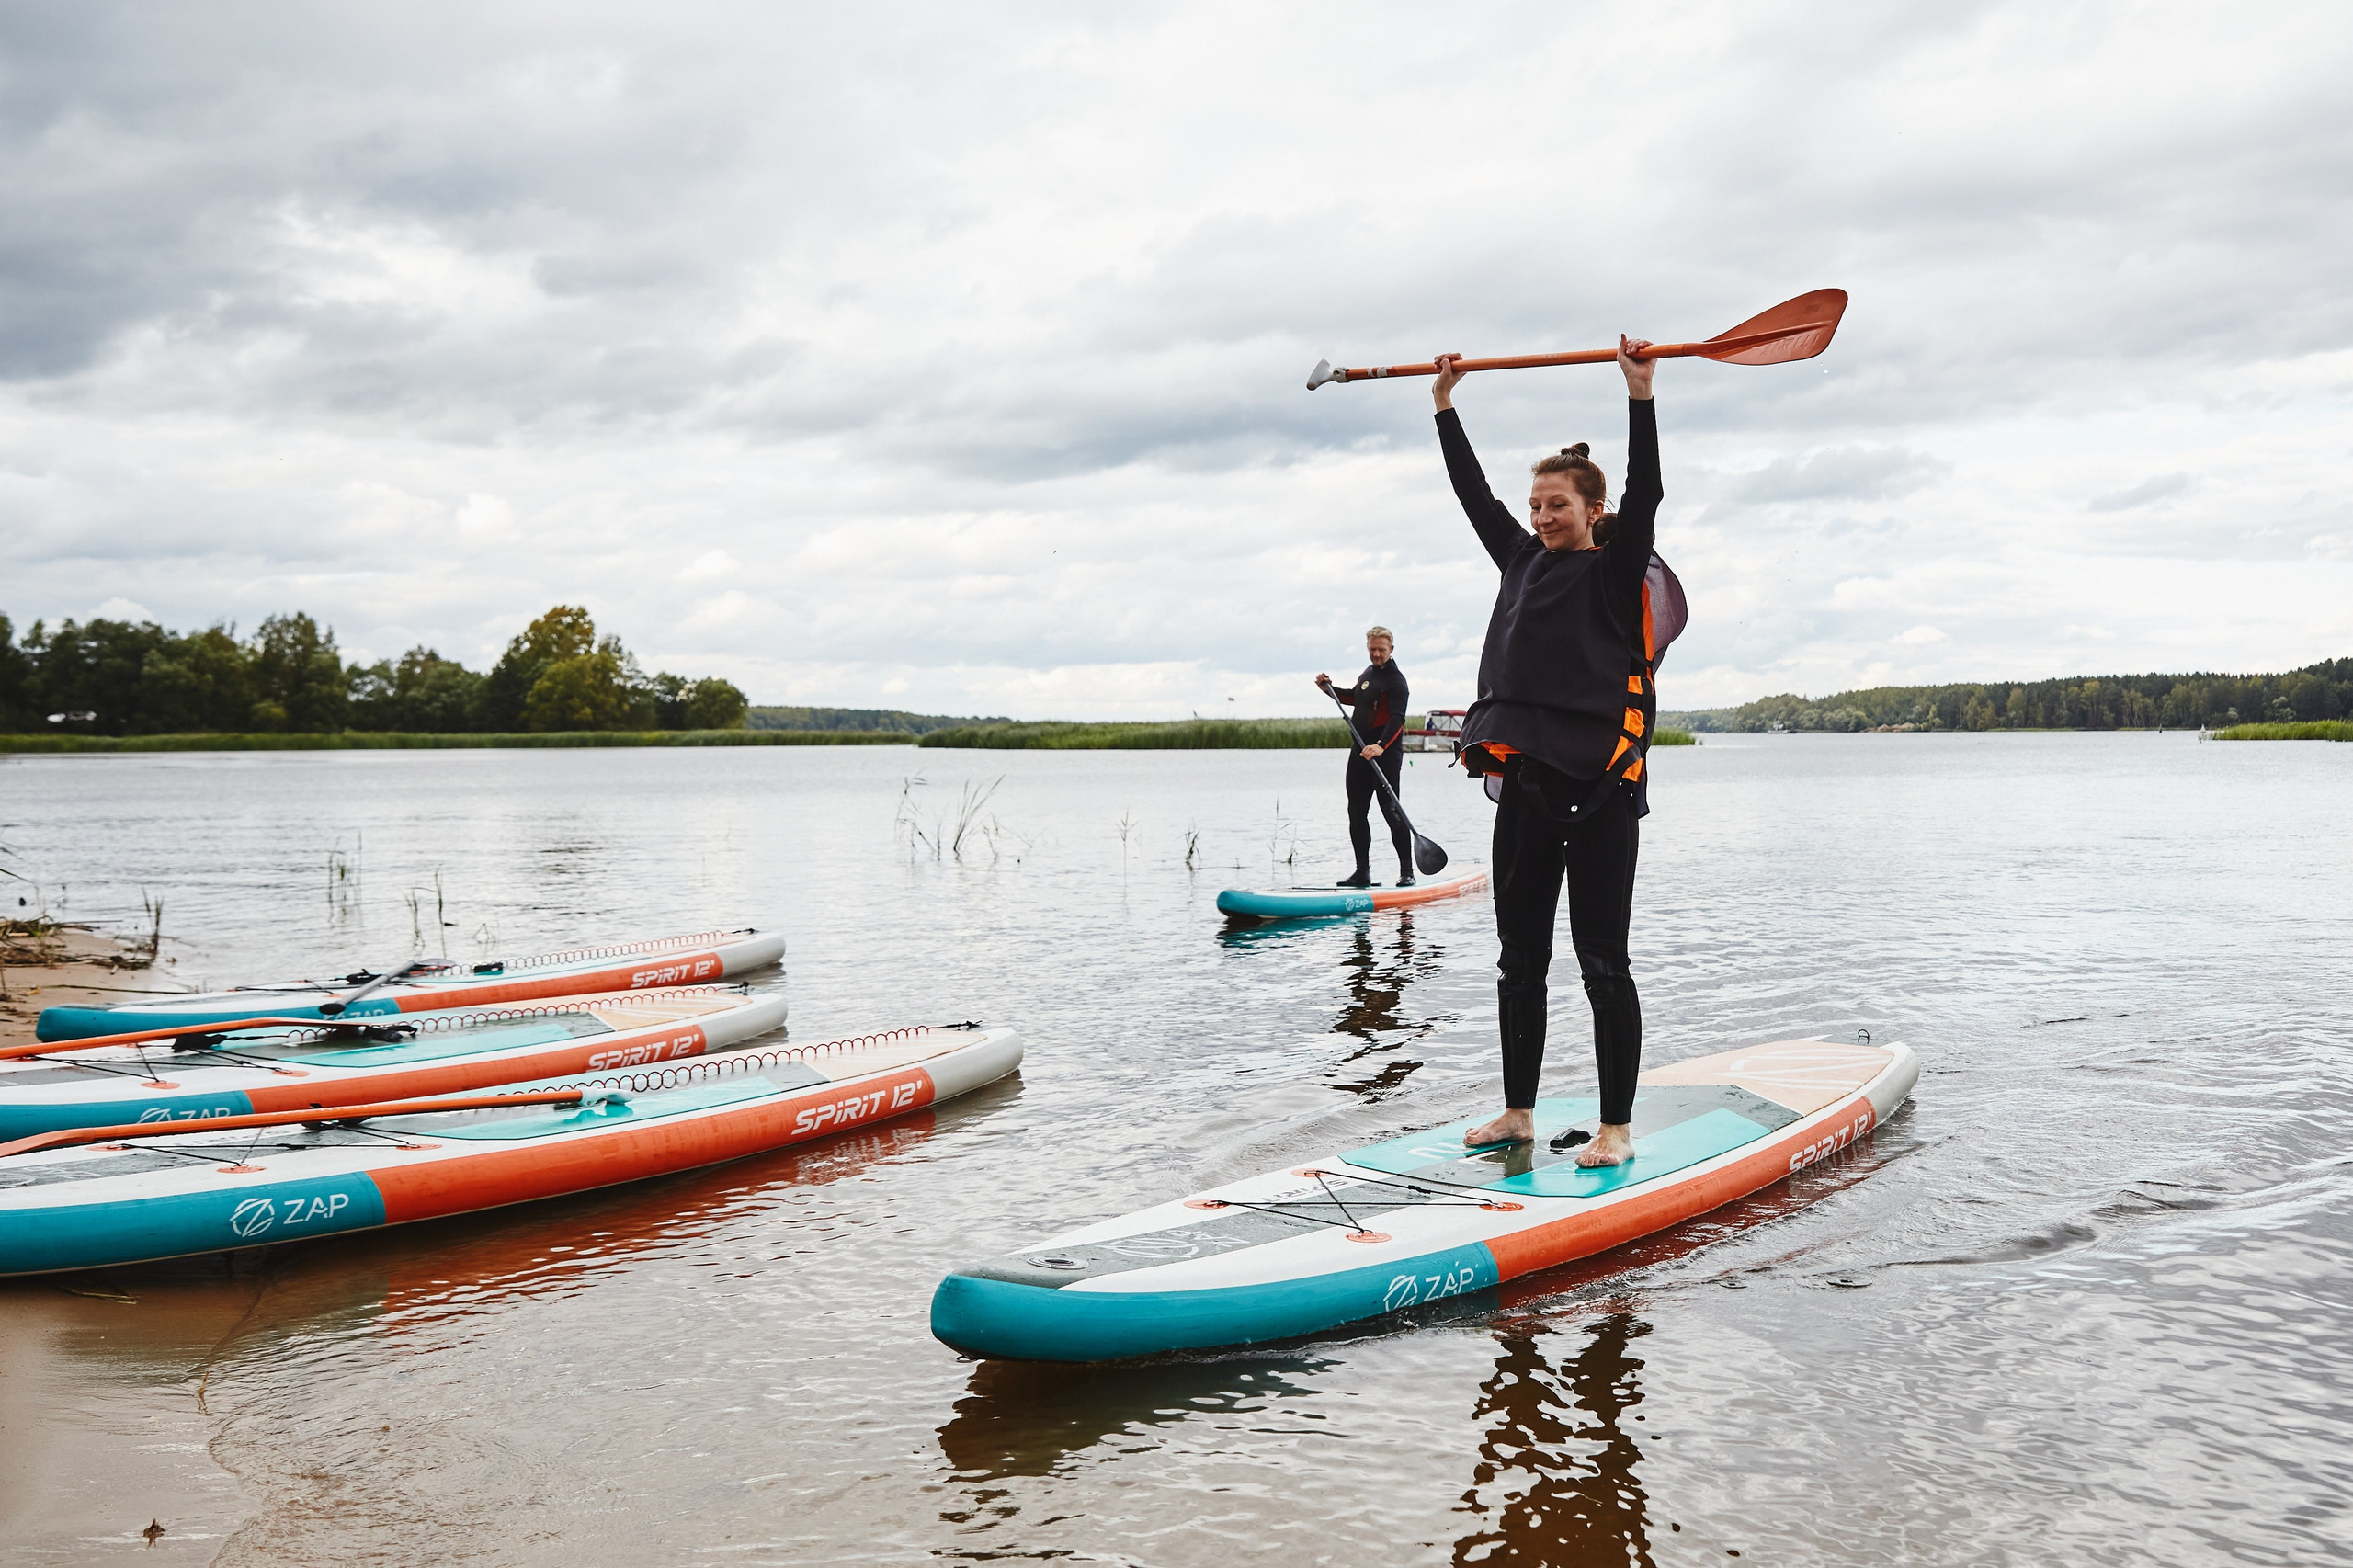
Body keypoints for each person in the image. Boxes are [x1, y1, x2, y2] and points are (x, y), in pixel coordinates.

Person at [1436, 335, 1662, 1167]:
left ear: (1592, 510)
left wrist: (1639, 394)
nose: (1540, 518)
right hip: (1527, 790)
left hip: (1601, 797)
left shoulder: (1613, 568)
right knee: (1517, 960)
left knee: (1604, 963)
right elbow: (1474, 498)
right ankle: (1518, 1113)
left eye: (1557, 506)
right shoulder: (1521, 560)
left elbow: (1649, 492)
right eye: (1536, 507)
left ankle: (1615, 1129)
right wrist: (1445, 408)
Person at [1315, 627, 1413, 889]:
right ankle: (1362, 872)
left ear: (1391, 649)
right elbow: (1354, 697)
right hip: (1359, 752)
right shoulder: (1368, 675)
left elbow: (1397, 718)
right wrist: (1329, 689)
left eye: (1381, 649)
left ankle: (1407, 872)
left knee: (1391, 811)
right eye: (1372, 649)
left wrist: (1380, 746)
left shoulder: (1397, 681)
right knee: (1356, 812)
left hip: (1385, 754)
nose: (1377, 654)